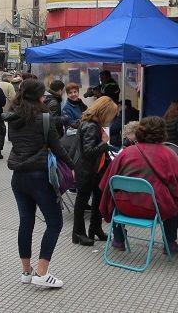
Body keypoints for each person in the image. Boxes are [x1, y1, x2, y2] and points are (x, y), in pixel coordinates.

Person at [6, 79, 75, 288]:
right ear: (38, 97)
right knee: (55, 223)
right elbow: (58, 148)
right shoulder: (44, 119)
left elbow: (16, 142)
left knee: (26, 222)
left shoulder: (13, 117)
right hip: (39, 176)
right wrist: (73, 166)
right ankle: (42, 272)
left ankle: (26, 272)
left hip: (18, 177)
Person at [99, 116, 178, 253]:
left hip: (124, 207)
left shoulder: (125, 154)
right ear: (163, 133)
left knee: (115, 195)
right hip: (155, 210)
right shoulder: (169, 155)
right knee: (173, 202)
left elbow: (107, 183)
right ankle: (170, 243)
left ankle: (118, 239)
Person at [72, 96, 119, 247]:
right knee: (82, 200)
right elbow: (89, 151)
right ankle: (79, 233)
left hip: (94, 169)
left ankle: (95, 228)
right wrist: (104, 143)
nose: (112, 118)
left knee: (96, 199)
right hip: (88, 169)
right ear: (104, 112)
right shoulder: (91, 126)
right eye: (111, 114)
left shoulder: (90, 123)